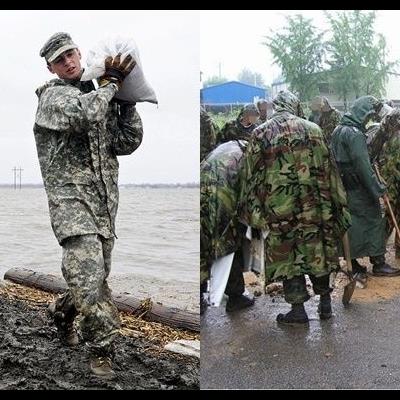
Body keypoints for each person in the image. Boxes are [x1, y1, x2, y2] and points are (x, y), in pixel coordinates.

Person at [34, 32, 143, 378]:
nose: (67, 62)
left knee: (91, 277)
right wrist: (111, 86)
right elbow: (84, 115)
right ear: (52, 67)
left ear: (80, 54)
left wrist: (127, 103)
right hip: (71, 206)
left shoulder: (100, 96)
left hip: (104, 206)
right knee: (90, 276)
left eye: (70, 54)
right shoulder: (53, 98)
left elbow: (127, 142)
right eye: (59, 59)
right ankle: (101, 350)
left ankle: (61, 312)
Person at [238, 90, 351, 324]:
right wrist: (339, 205)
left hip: (279, 211)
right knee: (317, 251)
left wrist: (253, 212)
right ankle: (326, 304)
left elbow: (251, 177)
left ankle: (298, 310)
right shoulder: (314, 130)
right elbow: (330, 171)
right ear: (295, 105)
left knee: (288, 256)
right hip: (315, 209)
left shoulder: (261, 133)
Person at [330, 96, 400, 278]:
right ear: (363, 113)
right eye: (369, 116)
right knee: (375, 219)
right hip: (359, 186)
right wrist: (378, 189)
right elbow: (363, 166)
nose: (370, 120)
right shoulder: (355, 135)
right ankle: (379, 263)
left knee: (350, 224)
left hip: (344, 185)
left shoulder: (339, 129)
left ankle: (352, 263)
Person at [200, 140, 255, 315]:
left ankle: (205, 295)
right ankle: (235, 296)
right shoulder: (244, 157)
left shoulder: (227, 149)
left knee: (204, 246)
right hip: (221, 203)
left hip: (202, 198)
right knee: (230, 244)